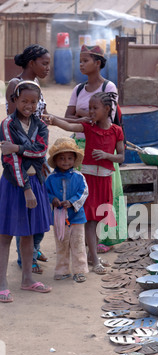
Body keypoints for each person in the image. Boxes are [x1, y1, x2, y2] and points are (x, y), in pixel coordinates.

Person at [43, 91, 125, 275]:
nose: (91, 111)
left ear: (106, 109)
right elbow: (69, 124)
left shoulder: (116, 131)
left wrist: (106, 156)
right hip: (88, 180)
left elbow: (121, 157)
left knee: (98, 219)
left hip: (105, 179)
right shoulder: (88, 127)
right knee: (89, 218)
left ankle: (91, 255)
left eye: (95, 108)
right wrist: (54, 121)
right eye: (89, 108)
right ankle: (94, 258)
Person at [64, 44, 127, 254]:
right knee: (83, 195)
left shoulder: (108, 88)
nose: (81, 64)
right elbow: (68, 117)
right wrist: (85, 116)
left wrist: (83, 115)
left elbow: (107, 118)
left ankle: (104, 239)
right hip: (80, 148)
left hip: (103, 147)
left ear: (98, 63)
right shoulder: (78, 89)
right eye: (80, 61)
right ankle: (83, 239)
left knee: (105, 194)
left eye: (85, 60)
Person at [0, 80, 52, 302]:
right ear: (14, 100)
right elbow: (10, 160)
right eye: (24, 101)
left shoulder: (40, 126)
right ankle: (2, 283)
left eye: (34, 101)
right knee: (5, 236)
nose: (29, 105)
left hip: (35, 182)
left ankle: (27, 279)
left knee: (28, 234)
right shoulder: (7, 125)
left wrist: (20, 148)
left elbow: (41, 151)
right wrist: (27, 189)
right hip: (14, 185)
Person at [6, 44, 51, 274]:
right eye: (44, 63)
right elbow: (17, 125)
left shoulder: (36, 86)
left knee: (39, 210)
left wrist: (39, 157)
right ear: (31, 62)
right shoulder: (16, 84)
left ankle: (33, 249)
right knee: (23, 213)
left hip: (34, 157)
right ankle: (26, 256)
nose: (47, 68)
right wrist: (24, 149)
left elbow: (36, 127)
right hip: (21, 162)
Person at [45, 137, 89, 283]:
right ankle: (62, 270)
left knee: (78, 244)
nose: (66, 161)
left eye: (70, 158)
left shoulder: (79, 177)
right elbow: (46, 193)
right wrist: (53, 199)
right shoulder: (50, 178)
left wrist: (71, 202)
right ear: (56, 160)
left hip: (76, 217)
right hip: (59, 218)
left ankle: (80, 270)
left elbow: (84, 192)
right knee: (61, 244)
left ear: (74, 159)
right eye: (62, 158)